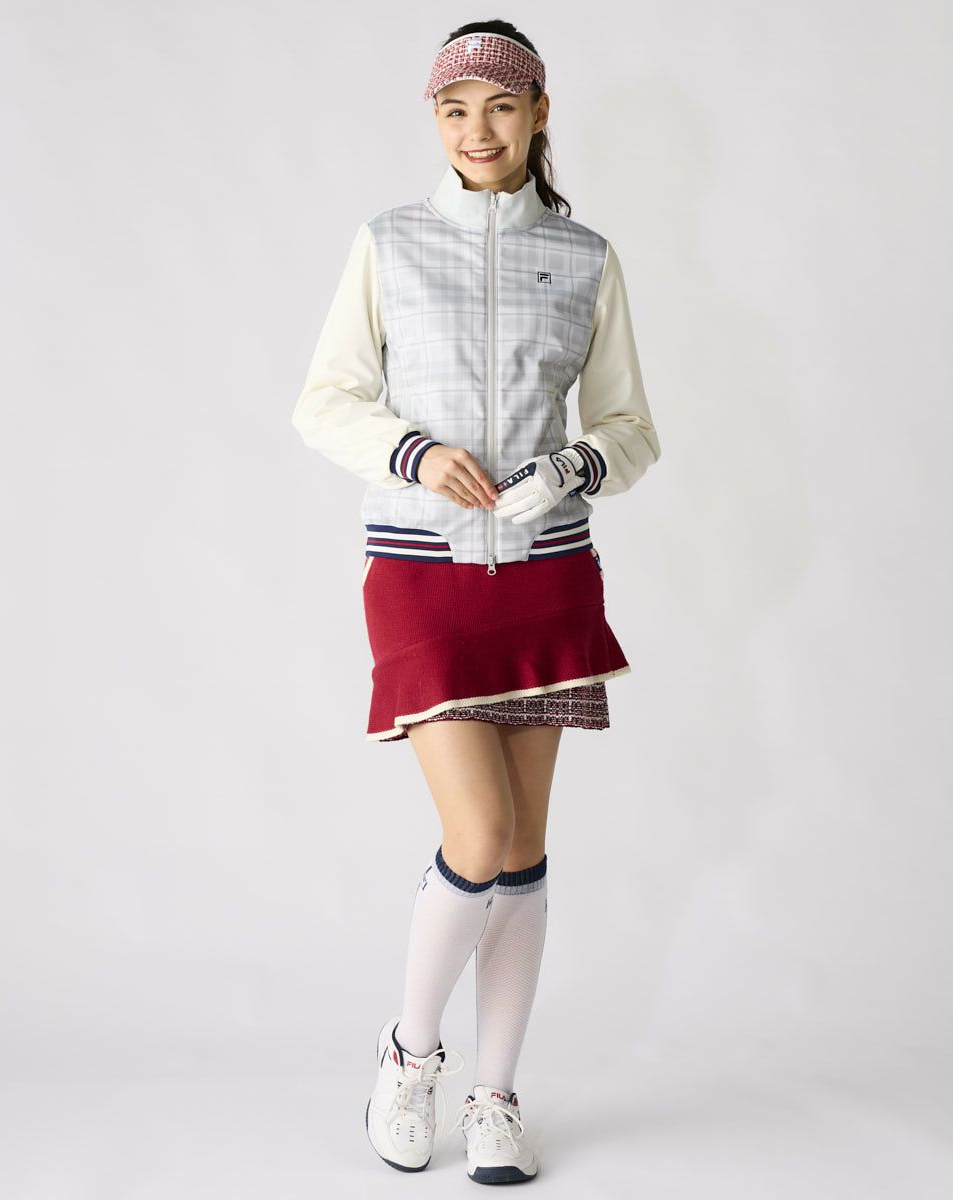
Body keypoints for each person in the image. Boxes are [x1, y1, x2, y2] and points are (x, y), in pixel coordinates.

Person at [292, 19, 660, 1184]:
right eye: (454, 110)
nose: (476, 130)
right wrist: (410, 452)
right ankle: (410, 1056)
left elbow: (629, 427)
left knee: (527, 846)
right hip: (420, 568)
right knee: (481, 833)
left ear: (539, 113)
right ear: (435, 122)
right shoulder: (389, 243)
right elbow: (325, 401)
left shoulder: (586, 258)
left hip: (546, 572)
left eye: (500, 106)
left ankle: (495, 1096)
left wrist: (571, 468)